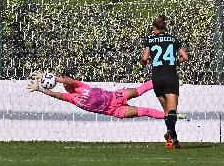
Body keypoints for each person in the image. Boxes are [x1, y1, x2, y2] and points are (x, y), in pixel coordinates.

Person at [27, 69, 183, 120]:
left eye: (66, 83)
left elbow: (67, 80)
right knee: (145, 111)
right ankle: (172, 116)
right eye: (65, 85)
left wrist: (52, 77)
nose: (66, 85)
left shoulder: (79, 86)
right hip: (115, 111)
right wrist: (41, 89)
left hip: (115, 96)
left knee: (139, 90)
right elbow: (56, 95)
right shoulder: (71, 98)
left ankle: (168, 80)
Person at [141, 15, 189, 149]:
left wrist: (147, 62)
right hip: (170, 76)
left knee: (166, 111)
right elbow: (185, 56)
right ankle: (170, 133)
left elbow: (144, 58)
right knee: (172, 110)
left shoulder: (150, 40)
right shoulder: (173, 39)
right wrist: (175, 62)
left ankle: (173, 140)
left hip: (157, 78)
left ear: (155, 28)